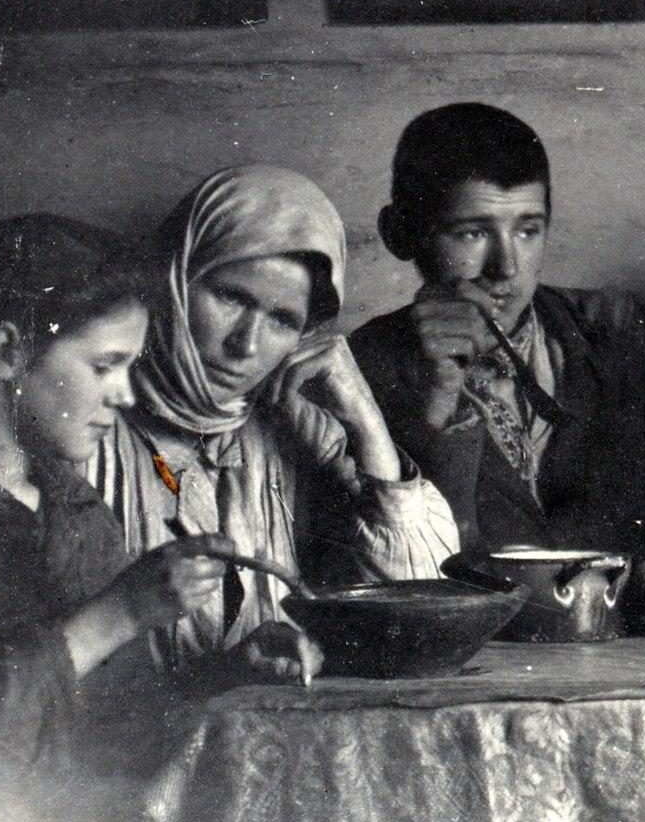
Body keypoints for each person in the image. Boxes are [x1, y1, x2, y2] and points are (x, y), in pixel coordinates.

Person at [0, 214, 231, 805]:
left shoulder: (73, 502)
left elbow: (115, 718)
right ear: (8, 353)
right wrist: (120, 613)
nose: (126, 395)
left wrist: (233, 676)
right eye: (105, 366)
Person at [349, 103, 645, 637]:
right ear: (399, 233)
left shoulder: (620, 334)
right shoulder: (363, 366)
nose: (507, 269)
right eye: (472, 233)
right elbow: (393, 582)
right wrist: (435, 405)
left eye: (528, 230)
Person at [93, 164, 458, 678]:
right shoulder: (91, 423)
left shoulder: (294, 423)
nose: (246, 345)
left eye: (282, 320)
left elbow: (420, 604)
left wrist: (365, 420)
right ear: (173, 280)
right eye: (229, 297)